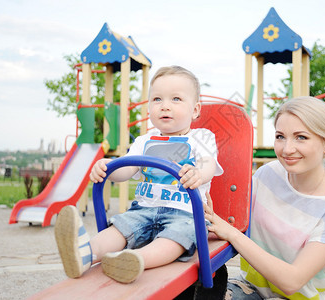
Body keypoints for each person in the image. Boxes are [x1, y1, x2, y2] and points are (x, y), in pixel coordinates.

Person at [55, 65, 223, 284]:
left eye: (176, 99)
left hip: (184, 213)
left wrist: (199, 174)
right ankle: (85, 253)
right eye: (157, 100)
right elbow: (125, 170)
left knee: (176, 239)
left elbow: (208, 162)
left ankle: (133, 260)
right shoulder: (144, 140)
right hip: (143, 210)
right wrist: (108, 167)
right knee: (119, 228)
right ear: (148, 108)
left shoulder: (201, 137)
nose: (165, 106)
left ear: (195, 110)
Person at [204, 97, 325, 299]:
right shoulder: (268, 174)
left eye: (301, 137)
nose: (287, 149)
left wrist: (233, 234)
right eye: (280, 136)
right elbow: (226, 216)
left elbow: (291, 282)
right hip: (251, 289)